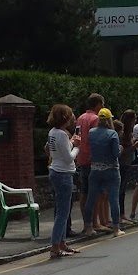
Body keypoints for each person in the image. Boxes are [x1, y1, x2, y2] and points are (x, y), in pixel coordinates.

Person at [46, 104, 81, 258]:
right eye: (71, 114)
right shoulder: (61, 134)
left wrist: (72, 142)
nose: (73, 117)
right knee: (63, 213)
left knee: (62, 211)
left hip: (56, 170)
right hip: (63, 174)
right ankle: (55, 247)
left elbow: (57, 151)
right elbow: (68, 158)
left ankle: (61, 243)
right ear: (65, 117)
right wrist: (77, 147)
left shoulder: (53, 133)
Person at [84, 108, 123, 237]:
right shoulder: (112, 134)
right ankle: (116, 229)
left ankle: (89, 227)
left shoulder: (91, 132)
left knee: (91, 199)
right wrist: (121, 148)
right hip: (111, 170)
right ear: (109, 119)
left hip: (95, 169)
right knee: (113, 199)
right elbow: (116, 153)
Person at [76, 94, 106, 236]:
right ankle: (94, 223)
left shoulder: (80, 118)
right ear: (98, 104)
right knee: (96, 192)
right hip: (93, 159)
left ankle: (86, 223)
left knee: (85, 192)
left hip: (81, 157)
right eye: (102, 104)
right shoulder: (95, 119)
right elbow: (97, 139)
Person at [117, 109, 138, 226]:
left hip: (128, 163)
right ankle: (120, 215)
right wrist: (134, 146)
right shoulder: (122, 133)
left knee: (123, 191)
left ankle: (122, 214)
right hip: (123, 163)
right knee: (120, 191)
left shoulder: (129, 132)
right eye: (134, 119)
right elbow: (122, 151)